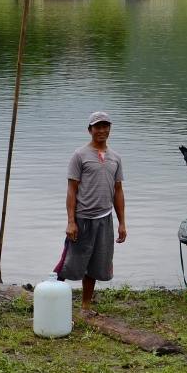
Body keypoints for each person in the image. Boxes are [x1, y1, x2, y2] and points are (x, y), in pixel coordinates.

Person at [55, 111, 127, 314]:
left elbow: (118, 191)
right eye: (97, 126)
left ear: (110, 129)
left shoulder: (115, 158)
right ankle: (53, 296)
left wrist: (122, 223)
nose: (102, 130)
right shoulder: (79, 155)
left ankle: (85, 306)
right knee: (69, 262)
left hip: (105, 219)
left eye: (105, 126)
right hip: (82, 218)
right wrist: (71, 221)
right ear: (90, 130)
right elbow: (72, 190)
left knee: (96, 263)